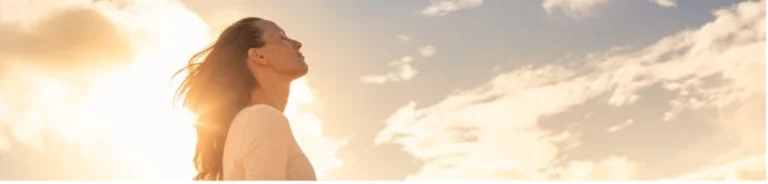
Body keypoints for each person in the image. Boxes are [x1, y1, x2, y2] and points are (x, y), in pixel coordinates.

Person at [173, 17, 316, 181]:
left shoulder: (250, 122)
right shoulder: (263, 118)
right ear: (258, 55)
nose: (297, 43)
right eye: (282, 38)